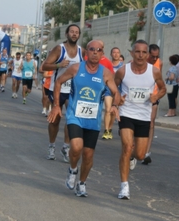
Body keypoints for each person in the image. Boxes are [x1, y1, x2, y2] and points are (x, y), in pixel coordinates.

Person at [48, 40, 120, 197]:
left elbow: (116, 92)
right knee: (76, 147)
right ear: (86, 52)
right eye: (92, 49)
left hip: (93, 120)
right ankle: (73, 169)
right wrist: (56, 105)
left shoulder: (105, 73)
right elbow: (59, 82)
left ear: (102, 54)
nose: (95, 52)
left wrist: (115, 104)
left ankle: (82, 183)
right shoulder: (76, 68)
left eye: (98, 50)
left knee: (88, 155)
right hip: (75, 115)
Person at [115, 39, 166, 199]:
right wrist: (118, 100)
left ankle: (132, 156)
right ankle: (124, 186)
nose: (141, 55)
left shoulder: (154, 71)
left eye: (144, 52)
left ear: (148, 55)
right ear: (132, 53)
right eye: (137, 51)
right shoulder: (123, 71)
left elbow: (163, 88)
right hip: (126, 113)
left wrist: (156, 96)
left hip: (143, 115)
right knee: (127, 146)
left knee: (140, 155)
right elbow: (112, 87)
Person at [42, 24, 85, 162]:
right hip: (58, 88)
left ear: (79, 35)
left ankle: (66, 147)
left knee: (71, 119)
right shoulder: (59, 49)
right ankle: (52, 145)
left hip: (73, 89)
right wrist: (58, 65)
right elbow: (44, 65)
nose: (74, 34)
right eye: (71, 32)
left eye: (76, 32)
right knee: (55, 120)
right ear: (66, 34)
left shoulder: (81, 51)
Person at [142, 44, 163, 165]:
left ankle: (147, 152)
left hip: (153, 97)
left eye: (157, 56)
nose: (154, 59)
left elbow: (160, 82)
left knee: (151, 123)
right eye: (152, 56)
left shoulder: (159, 63)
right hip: (138, 99)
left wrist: (157, 96)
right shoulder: (141, 61)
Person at [101, 47, 121, 139]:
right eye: (114, 52)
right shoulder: (107, 64)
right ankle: (106, 130)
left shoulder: (122, 66)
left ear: (120, 54)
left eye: (117, 52)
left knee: (113, 111)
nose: (116, 54)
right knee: (108, 109)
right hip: (108, 89)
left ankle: (110, 128)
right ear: (111, 54)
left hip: (118, 91)